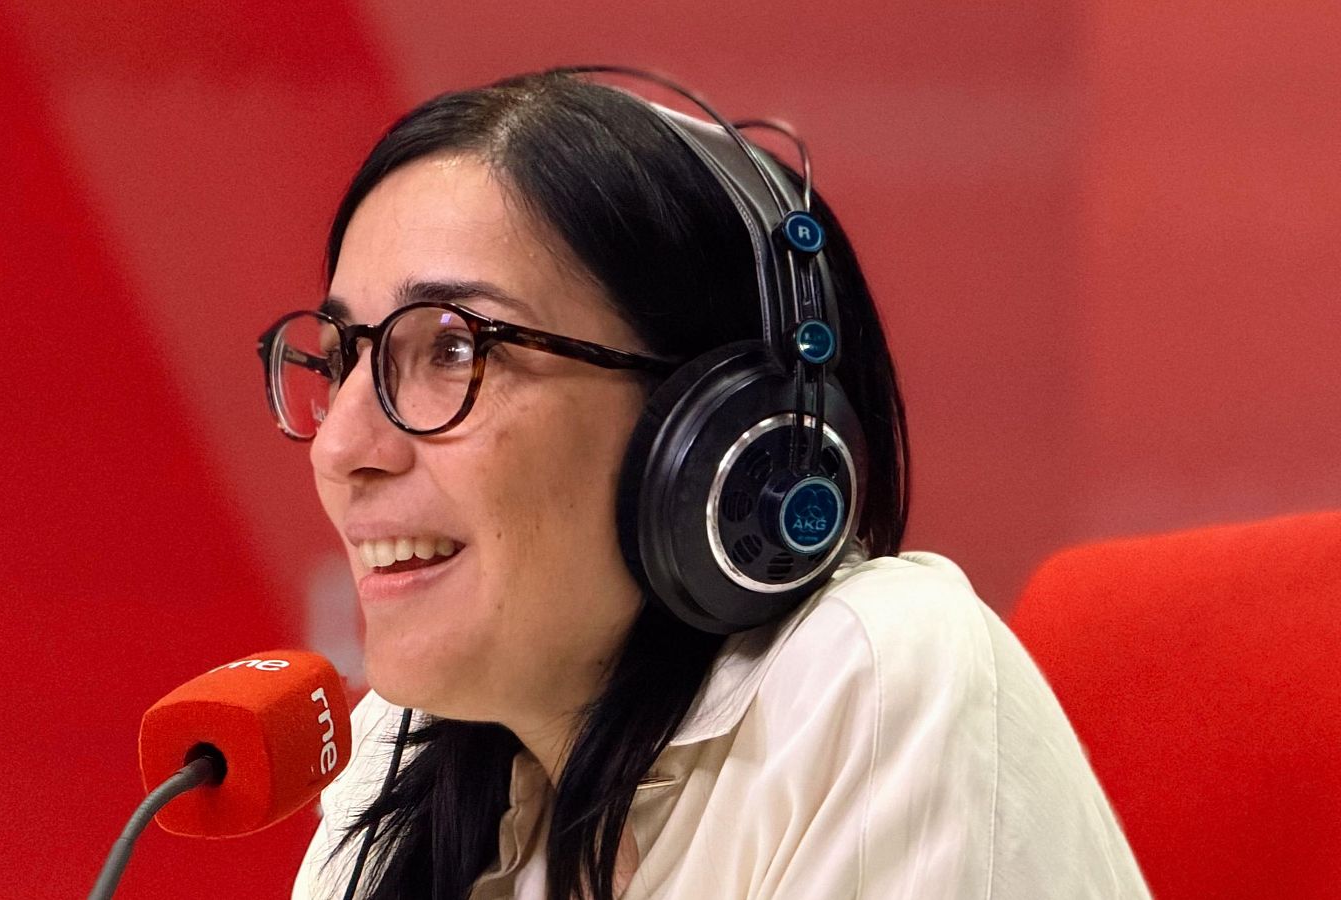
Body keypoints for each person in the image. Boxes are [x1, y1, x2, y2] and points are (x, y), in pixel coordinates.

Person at [270, 69, 1150, 899]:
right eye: (342, 359)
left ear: (702, 427)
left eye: (455, 348)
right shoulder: (397, 758)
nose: (340, 445)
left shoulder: (869, 681)